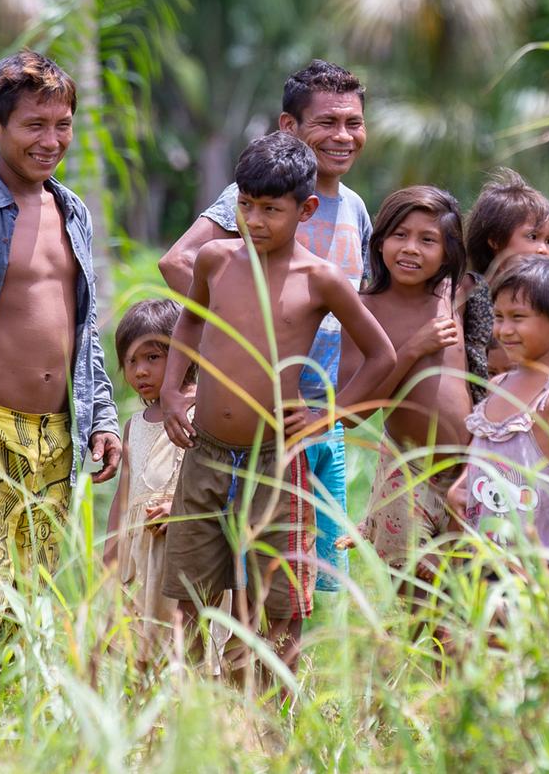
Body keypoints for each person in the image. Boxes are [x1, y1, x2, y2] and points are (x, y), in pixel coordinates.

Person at [155, 132, 396, 681]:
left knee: (282, 601)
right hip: (207, 454)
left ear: (305, 208)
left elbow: (382, 355)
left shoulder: (322, 280)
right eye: (246, 205)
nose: (255, 220)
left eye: (270, 209)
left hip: (278, 461)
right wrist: (173, 388)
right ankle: (191, 709)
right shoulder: (216, 259)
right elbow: (191, 319)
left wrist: (329, 415)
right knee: (192, 590)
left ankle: (272, 720)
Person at [160, 60, 372, 597]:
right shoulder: (251, 197)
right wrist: (235, 344)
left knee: (303, 581)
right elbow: (179, 262)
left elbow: (368, 322)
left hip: (315, 419)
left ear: (306, 210)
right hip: (241, 420)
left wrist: (339, 407)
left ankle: (284, 679)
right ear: (289, 127)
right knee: (211, 576)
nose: (343, 136)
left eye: (354, 122)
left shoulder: (355, 212)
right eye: (328, 122)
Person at [0, 50, 124, 602]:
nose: (51, 141)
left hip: (57, 436)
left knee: (32, 599)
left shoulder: (72, 211)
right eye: (34, 125)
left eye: (63, 126)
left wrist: (101, 415)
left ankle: (17, 694)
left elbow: (85, 331)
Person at [341, 187, 473, 614]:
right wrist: (412, 349)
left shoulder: (460, 293)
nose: (411, 249)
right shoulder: (365, 308)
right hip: (407, 470)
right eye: (400, 235)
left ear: (449, 251)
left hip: (472, 466)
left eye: (428, 240)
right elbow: (354, 412)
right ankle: (420, 678)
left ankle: (462, 681)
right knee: (417, 599)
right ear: (379, 242)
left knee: (473, 592)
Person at [448, 256, 549, 580]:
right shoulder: (498, 384)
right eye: (499, 317)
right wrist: (461, 486)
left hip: (536, 565)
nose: (504, 330)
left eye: (518, 317)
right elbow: (482, 454)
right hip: (481, 558)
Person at [102, 298, 190, 664]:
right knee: (138, 646)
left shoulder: (201, 413)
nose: (140, 371)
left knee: (184, 642)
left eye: (153, 358)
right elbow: (123, 498)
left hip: (183, 547)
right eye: (132, 361)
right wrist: (109, 555)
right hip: (139, 554)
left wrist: (181, 509)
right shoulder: (134, 425)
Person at [463, 168, 549, 381]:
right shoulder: (472, 288)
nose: (543, 249)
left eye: (548, 241)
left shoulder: (544, 298)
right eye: (532, 237)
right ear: (495, 240)